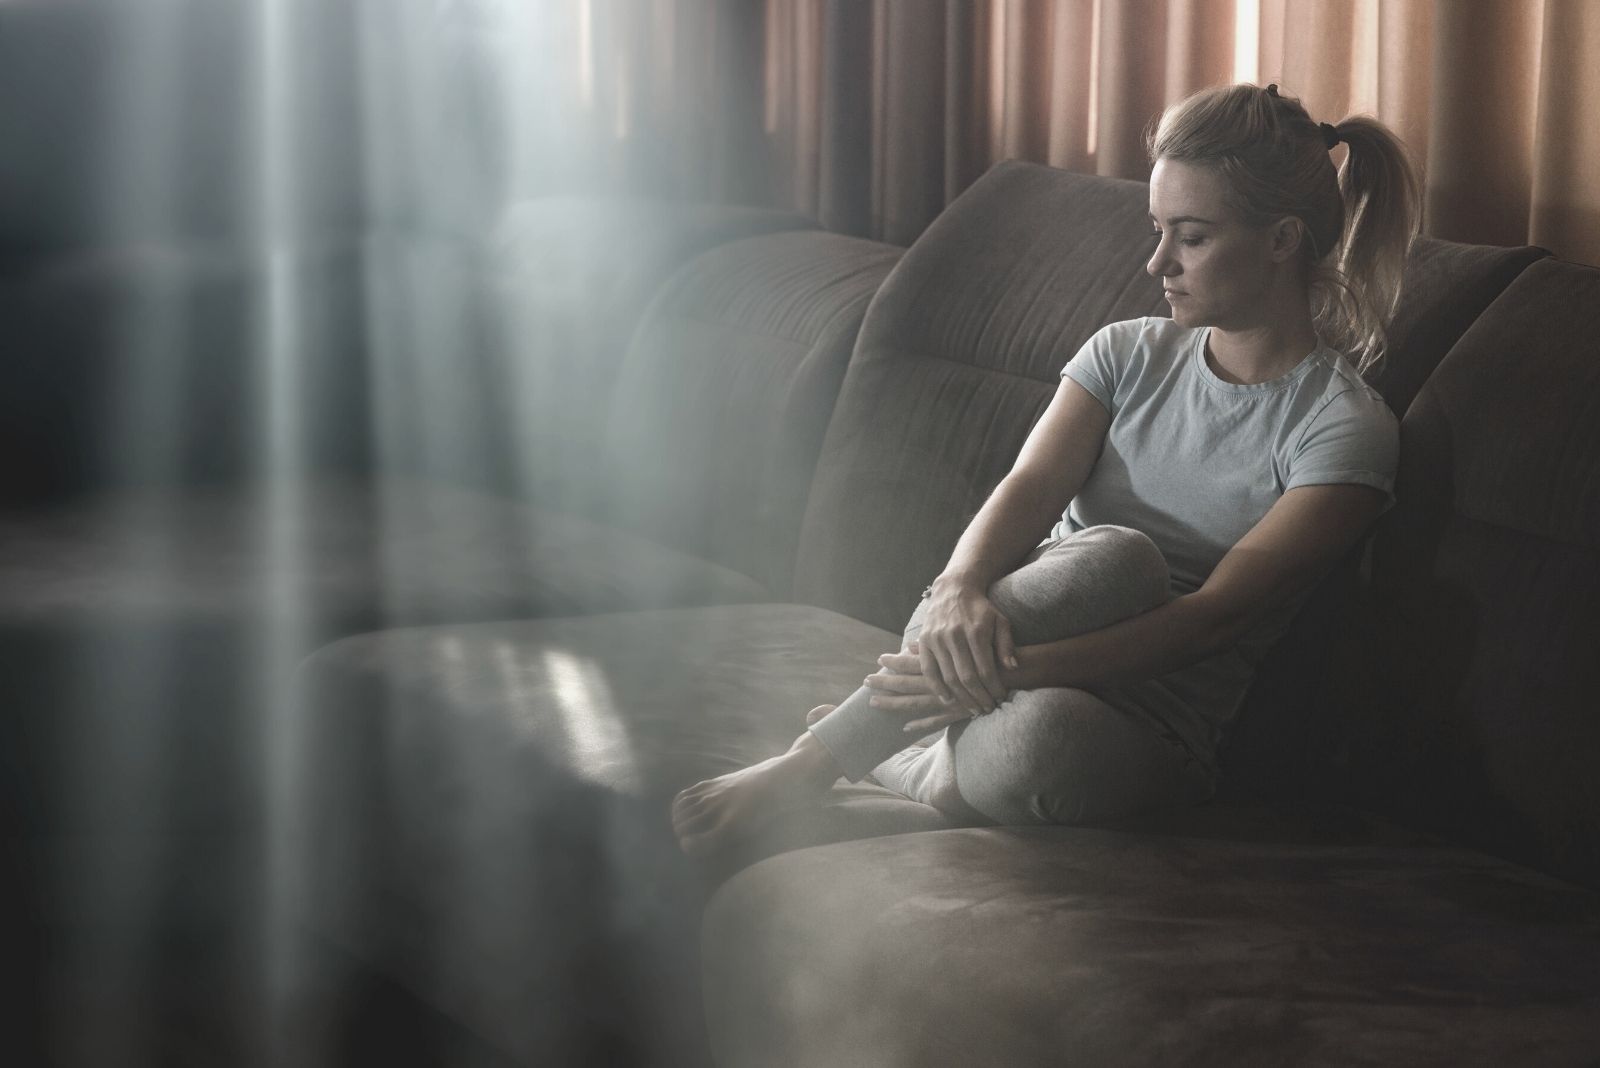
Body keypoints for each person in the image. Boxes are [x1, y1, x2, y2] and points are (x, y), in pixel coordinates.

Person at [671, 82, 1420, 858]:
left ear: (1281, 239)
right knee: (1113, 558)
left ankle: (914, 770)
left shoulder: (1344, 430)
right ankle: (813, 766)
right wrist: (959, 590)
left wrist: (1014, 675)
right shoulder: (1125, 353)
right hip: (1013, 628)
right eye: (1156, 230)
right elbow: (1027, 489)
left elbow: (1213, 621)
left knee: (1040, 741)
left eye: (1191, 237)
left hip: (1137, 730)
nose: (1157, 262)